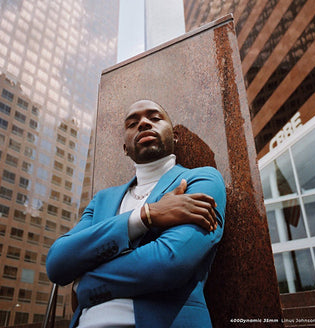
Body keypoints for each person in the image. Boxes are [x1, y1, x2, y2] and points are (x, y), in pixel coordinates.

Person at [46, 99, 226, 328]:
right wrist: (144, 216)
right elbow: (57, 262)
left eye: (155, 118)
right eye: (132, 123)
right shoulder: (102, 200)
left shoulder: (201, 179)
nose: (143, 123)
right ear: (124, 148)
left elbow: (170, 262)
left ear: (175, 135)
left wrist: (84, 284)